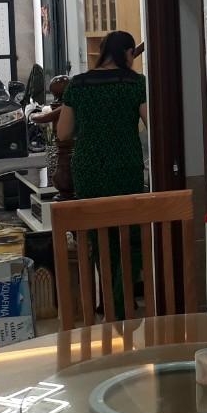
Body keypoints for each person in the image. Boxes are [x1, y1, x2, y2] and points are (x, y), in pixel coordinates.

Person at [57, 31, 148, 316]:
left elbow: (63, 133)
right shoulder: (136, 83)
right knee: (130, 236)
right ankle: (122, 300)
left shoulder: (78, 84)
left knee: (99, 237)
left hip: (89, 169)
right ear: (128, 53)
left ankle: (109, 299)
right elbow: (152, 123)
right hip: (125, 167)